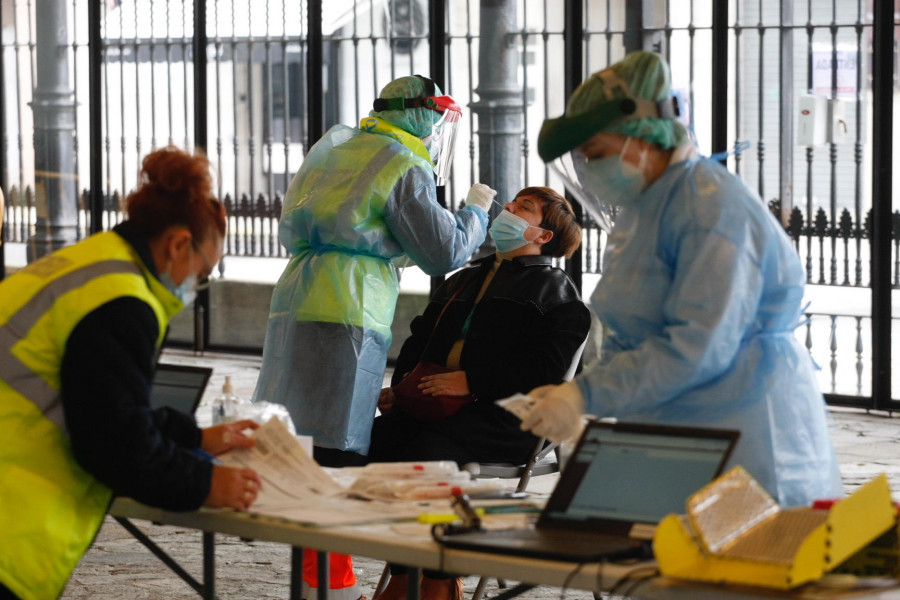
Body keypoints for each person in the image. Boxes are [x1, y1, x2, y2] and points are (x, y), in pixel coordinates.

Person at [519, 50, 843, 508]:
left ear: (641, 136)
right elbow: (633, 330)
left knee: (734, 567)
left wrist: (588, 392)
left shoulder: (711, 208)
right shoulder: (646, 210)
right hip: (672, 427)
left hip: (745, 432)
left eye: (597, 154)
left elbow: (698, 345)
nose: (591, 171)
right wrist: (591, 392)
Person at [252, 75, 494, 600]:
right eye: (435, 114)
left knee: (302, 447)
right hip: (350, 305)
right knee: (337, 452)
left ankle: (317, 582)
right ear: (421, 112)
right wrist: (476, 211)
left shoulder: (339, 148)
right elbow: (443, 252)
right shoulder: (401, 163)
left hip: (297, 296)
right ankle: (332, 589)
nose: (435, 127)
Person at [0, 146, 262, 600]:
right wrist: (205, 483)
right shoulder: (122, 301)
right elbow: (115, 443)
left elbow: (99, 403)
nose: (195, 289)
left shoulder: (89, 265)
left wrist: (196, 439)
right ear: (179, 243)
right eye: (203, 274)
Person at [370, 187, 591, 600]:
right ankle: (408, 575)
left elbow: (546, 370)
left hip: (504, 417)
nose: (506, 209)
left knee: (425, 456)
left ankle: (433, 582)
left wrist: (474, 381)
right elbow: (419, 340)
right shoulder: (465, 277)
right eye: (511, 202)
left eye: (523, 208)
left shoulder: (558, 294)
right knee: (369, 445)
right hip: (436, 407)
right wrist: (401, 391)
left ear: (543, 237)